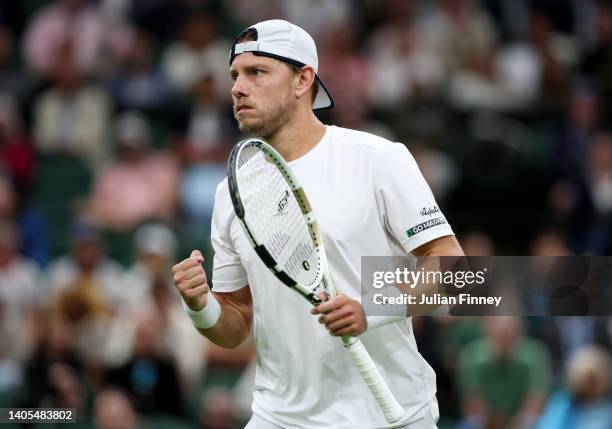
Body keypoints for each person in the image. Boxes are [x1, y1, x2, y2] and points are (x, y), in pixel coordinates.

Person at [172, 19, 463, 429]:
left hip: (390, 415)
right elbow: (236, 322)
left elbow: (451, 265)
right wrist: (200, 307)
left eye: (257, 73)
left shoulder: (376, 158)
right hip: (279, 417)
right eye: (235, 76)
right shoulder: (231, 192)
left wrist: (369, 309)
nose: (238, 88)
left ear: (302, 80)